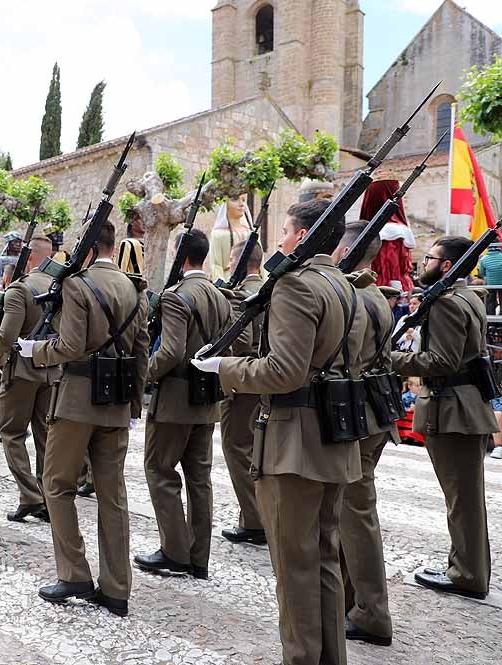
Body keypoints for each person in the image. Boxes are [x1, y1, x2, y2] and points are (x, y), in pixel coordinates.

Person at [195, 199, 365, 665]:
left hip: (295, 440)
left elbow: (285, 371)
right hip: (332, 437)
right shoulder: (344, 285)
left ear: (305, 236)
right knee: (326, 557)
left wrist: (224, 367)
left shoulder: (296, 286)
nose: (280, 241)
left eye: (287, 232)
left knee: (294, 566)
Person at [18, 220, 149, 618]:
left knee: (56, 484)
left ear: (88, 249)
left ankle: (74, 573)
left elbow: (71, 346)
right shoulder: (136, 289)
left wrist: (35, 351)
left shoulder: (77, 285)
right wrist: (134, 406)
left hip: (76, 401)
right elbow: (141, 350)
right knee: (113, 495)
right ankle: (116, 588)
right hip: (116, 402)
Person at [392, 236, 496, 600]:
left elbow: (442, 362)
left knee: (461, 499)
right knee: (465, 498)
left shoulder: (447, 303)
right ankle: (467, 567)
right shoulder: (467, 295)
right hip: (465, 407)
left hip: (453, 410)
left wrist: (391, 360)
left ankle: (467, 574)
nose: (424, 264)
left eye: (430, 258)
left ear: (447, 265)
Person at [136, 228, 235, 580]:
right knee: (199, 478)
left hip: (176, 398)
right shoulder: (220, 296)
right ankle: (198, 556)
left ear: (181, 254)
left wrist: (143, 374)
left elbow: (171, 351)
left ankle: (174, 551)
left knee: (160, 471)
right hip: (206, 398)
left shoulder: (178, 296)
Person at [332, 221, 399, 646]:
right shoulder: (375, 294)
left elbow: (347, 359)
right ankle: (351, 602)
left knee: (357, 517)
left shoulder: (354, 297)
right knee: (349, 513)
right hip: (374, 411)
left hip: (359, 414)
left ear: (347, 250)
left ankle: (372, 613)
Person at [0, 235, 57, 523]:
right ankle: (47, 497)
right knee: (44, 436)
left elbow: (5, 334)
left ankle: (30, 496)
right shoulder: (60, 286)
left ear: (29, 258)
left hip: (21, 372)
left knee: (13, 434)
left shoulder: (20, 288)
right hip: (50, 369)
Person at [219, 240, 268, 546]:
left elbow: (243, 341)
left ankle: (254, 520)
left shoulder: (241, 294)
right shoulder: (267, 287)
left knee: (237, 449)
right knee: (253, 449)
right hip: (263, 378)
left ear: (238, 261)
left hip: (244, 381)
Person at [208, 195, 249, 283]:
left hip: (250, 281)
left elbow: (260, 263)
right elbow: (216, 265)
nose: (241, 204)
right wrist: (224, 288)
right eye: (235, 199)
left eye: (243, 200)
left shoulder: (251, 233)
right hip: (228, 281)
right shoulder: (218, 234)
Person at [475, 242, 502, 314]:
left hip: (490, 284)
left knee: (490, 301)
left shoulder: (483, 259)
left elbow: (481, 273)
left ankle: (492, 323)